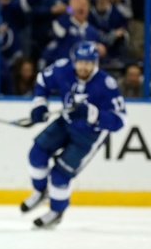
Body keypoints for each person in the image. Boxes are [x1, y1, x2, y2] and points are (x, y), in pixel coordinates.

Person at [20, 41, 126, 228]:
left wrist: (91, 114)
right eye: (80, 62)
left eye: (89, 63)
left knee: (60, 175)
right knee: (36, 154)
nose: (84, 67)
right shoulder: (63, 69)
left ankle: (56, 211)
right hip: (65, 123)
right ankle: (40, 191)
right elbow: (42, 80)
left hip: (89, 135)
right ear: (74, 61)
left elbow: (119, 121)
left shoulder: (106, 84)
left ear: (95, 63)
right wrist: (39, 104)